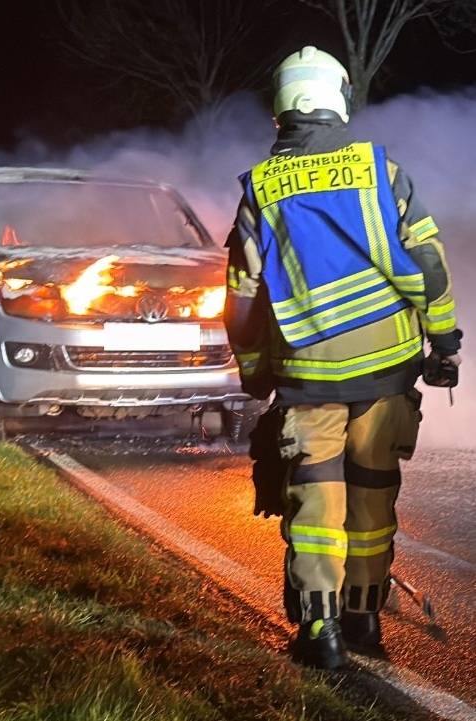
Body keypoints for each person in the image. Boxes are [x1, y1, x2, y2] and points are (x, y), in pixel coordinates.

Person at [224, 46, 461, 669]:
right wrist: (445, 341)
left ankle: (319, 634)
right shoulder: (380, 170)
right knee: (373, 498)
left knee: (315, 501)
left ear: (280, 110)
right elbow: (427, 264)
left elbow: (243, 301)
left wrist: (254, 374)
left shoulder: (261, 190)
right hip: (388, 372)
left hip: (307, 380)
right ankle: (364, 621)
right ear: (340, 99)